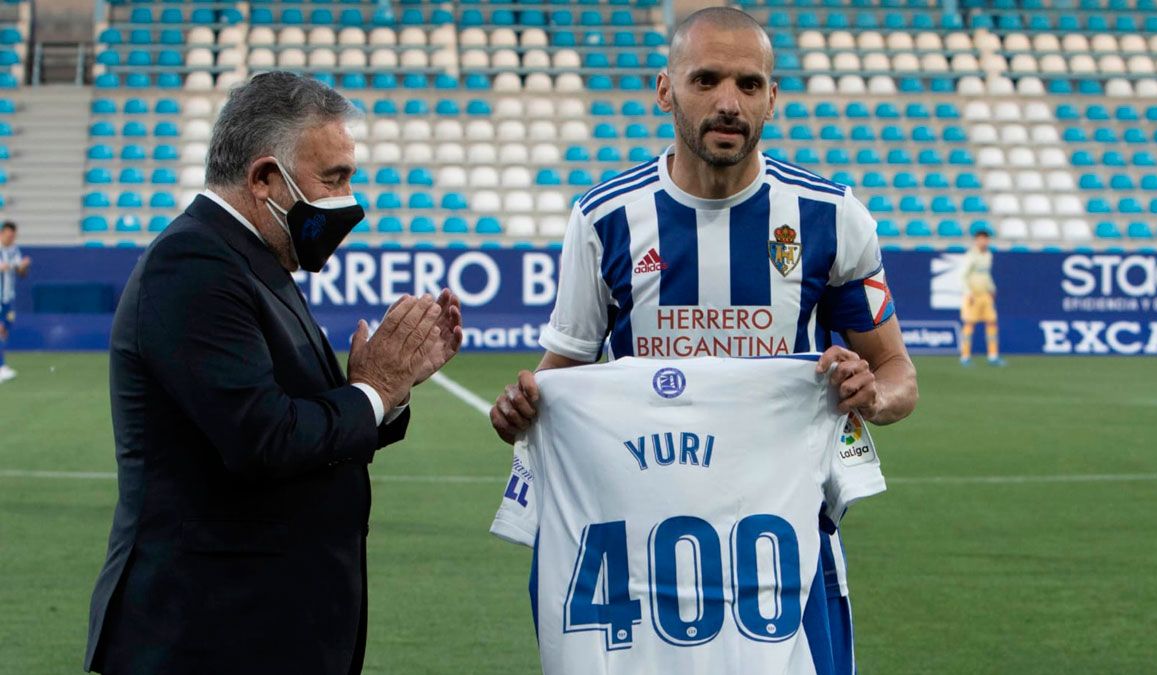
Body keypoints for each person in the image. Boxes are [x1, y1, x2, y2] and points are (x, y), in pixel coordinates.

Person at [488, 7, 917, 675]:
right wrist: (518, 411)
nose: (728, 103)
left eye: (749, 85)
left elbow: (897, 374)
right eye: (706, 79)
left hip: (787, 541)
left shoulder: (832, 216)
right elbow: (556, 378)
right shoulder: (605, 219)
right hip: (641, 543)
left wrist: (873, 395)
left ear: (773, 97)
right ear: (666, 90)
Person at [85, 72, 463, 675]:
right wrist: (372, 391)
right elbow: (263, 437)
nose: (347, 201)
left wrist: (379, 395)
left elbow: (297, 416)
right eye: (333, 178)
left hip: (262, 628)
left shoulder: (250, 259)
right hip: (209, 635)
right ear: (264, 178)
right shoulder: (195, 264)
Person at [959, 229, 1003, 366]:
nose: (984, 241)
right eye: (981, 239)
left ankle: (993, 355)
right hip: (973, 295)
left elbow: (986, 275)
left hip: (985, 295)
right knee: (969, 323)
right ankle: (965, 356)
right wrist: (968, 292)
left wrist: (991, 289)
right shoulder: (971, 255)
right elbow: (962, 275)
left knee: (992, 322)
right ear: (976, 240)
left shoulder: (988, 255)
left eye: (986, 239)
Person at [0, 220, 30, 382]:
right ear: (2, 233)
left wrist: (23, 266)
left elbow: (21, 274)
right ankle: (1, 366)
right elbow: (3, 267)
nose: (11, 238)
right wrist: (15, 264)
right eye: (9, 235)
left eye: (13, 236)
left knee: (4, 330)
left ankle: (2, 365)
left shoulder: (14, 250)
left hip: (8, 298)